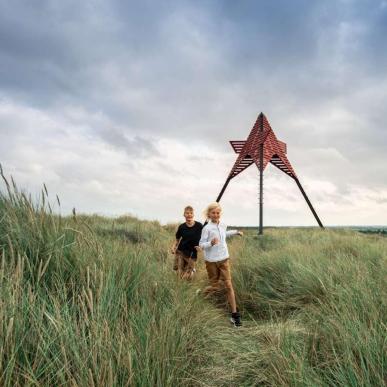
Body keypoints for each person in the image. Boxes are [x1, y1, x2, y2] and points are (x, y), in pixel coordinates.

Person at [199, 202, 243, 327]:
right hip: (211, 261)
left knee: (228, 285)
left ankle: (235, 315)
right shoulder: (206, 228)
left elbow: (224, 234)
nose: (216, 215)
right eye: (213, 213)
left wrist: (235, 232)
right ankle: (201, 293)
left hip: (224, 259)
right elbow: (201, 244)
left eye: (218, 213)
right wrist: (210, 243)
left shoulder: (223, 225)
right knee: (216, 287)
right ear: (209, 214)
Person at [171, 206, 203, 280]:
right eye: (187, 213)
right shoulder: (182, 227)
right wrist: (173, 247)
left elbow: (204, 238)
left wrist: (201, 247)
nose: (189, 215)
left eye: (191, 213)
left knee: (188, 274)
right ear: (184, 215)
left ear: (193, 214)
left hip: (192, 254)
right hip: (181, 252)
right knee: (179, 272)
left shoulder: (199, 226)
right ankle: (179, 286)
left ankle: (189, 275)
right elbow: (177, 239)